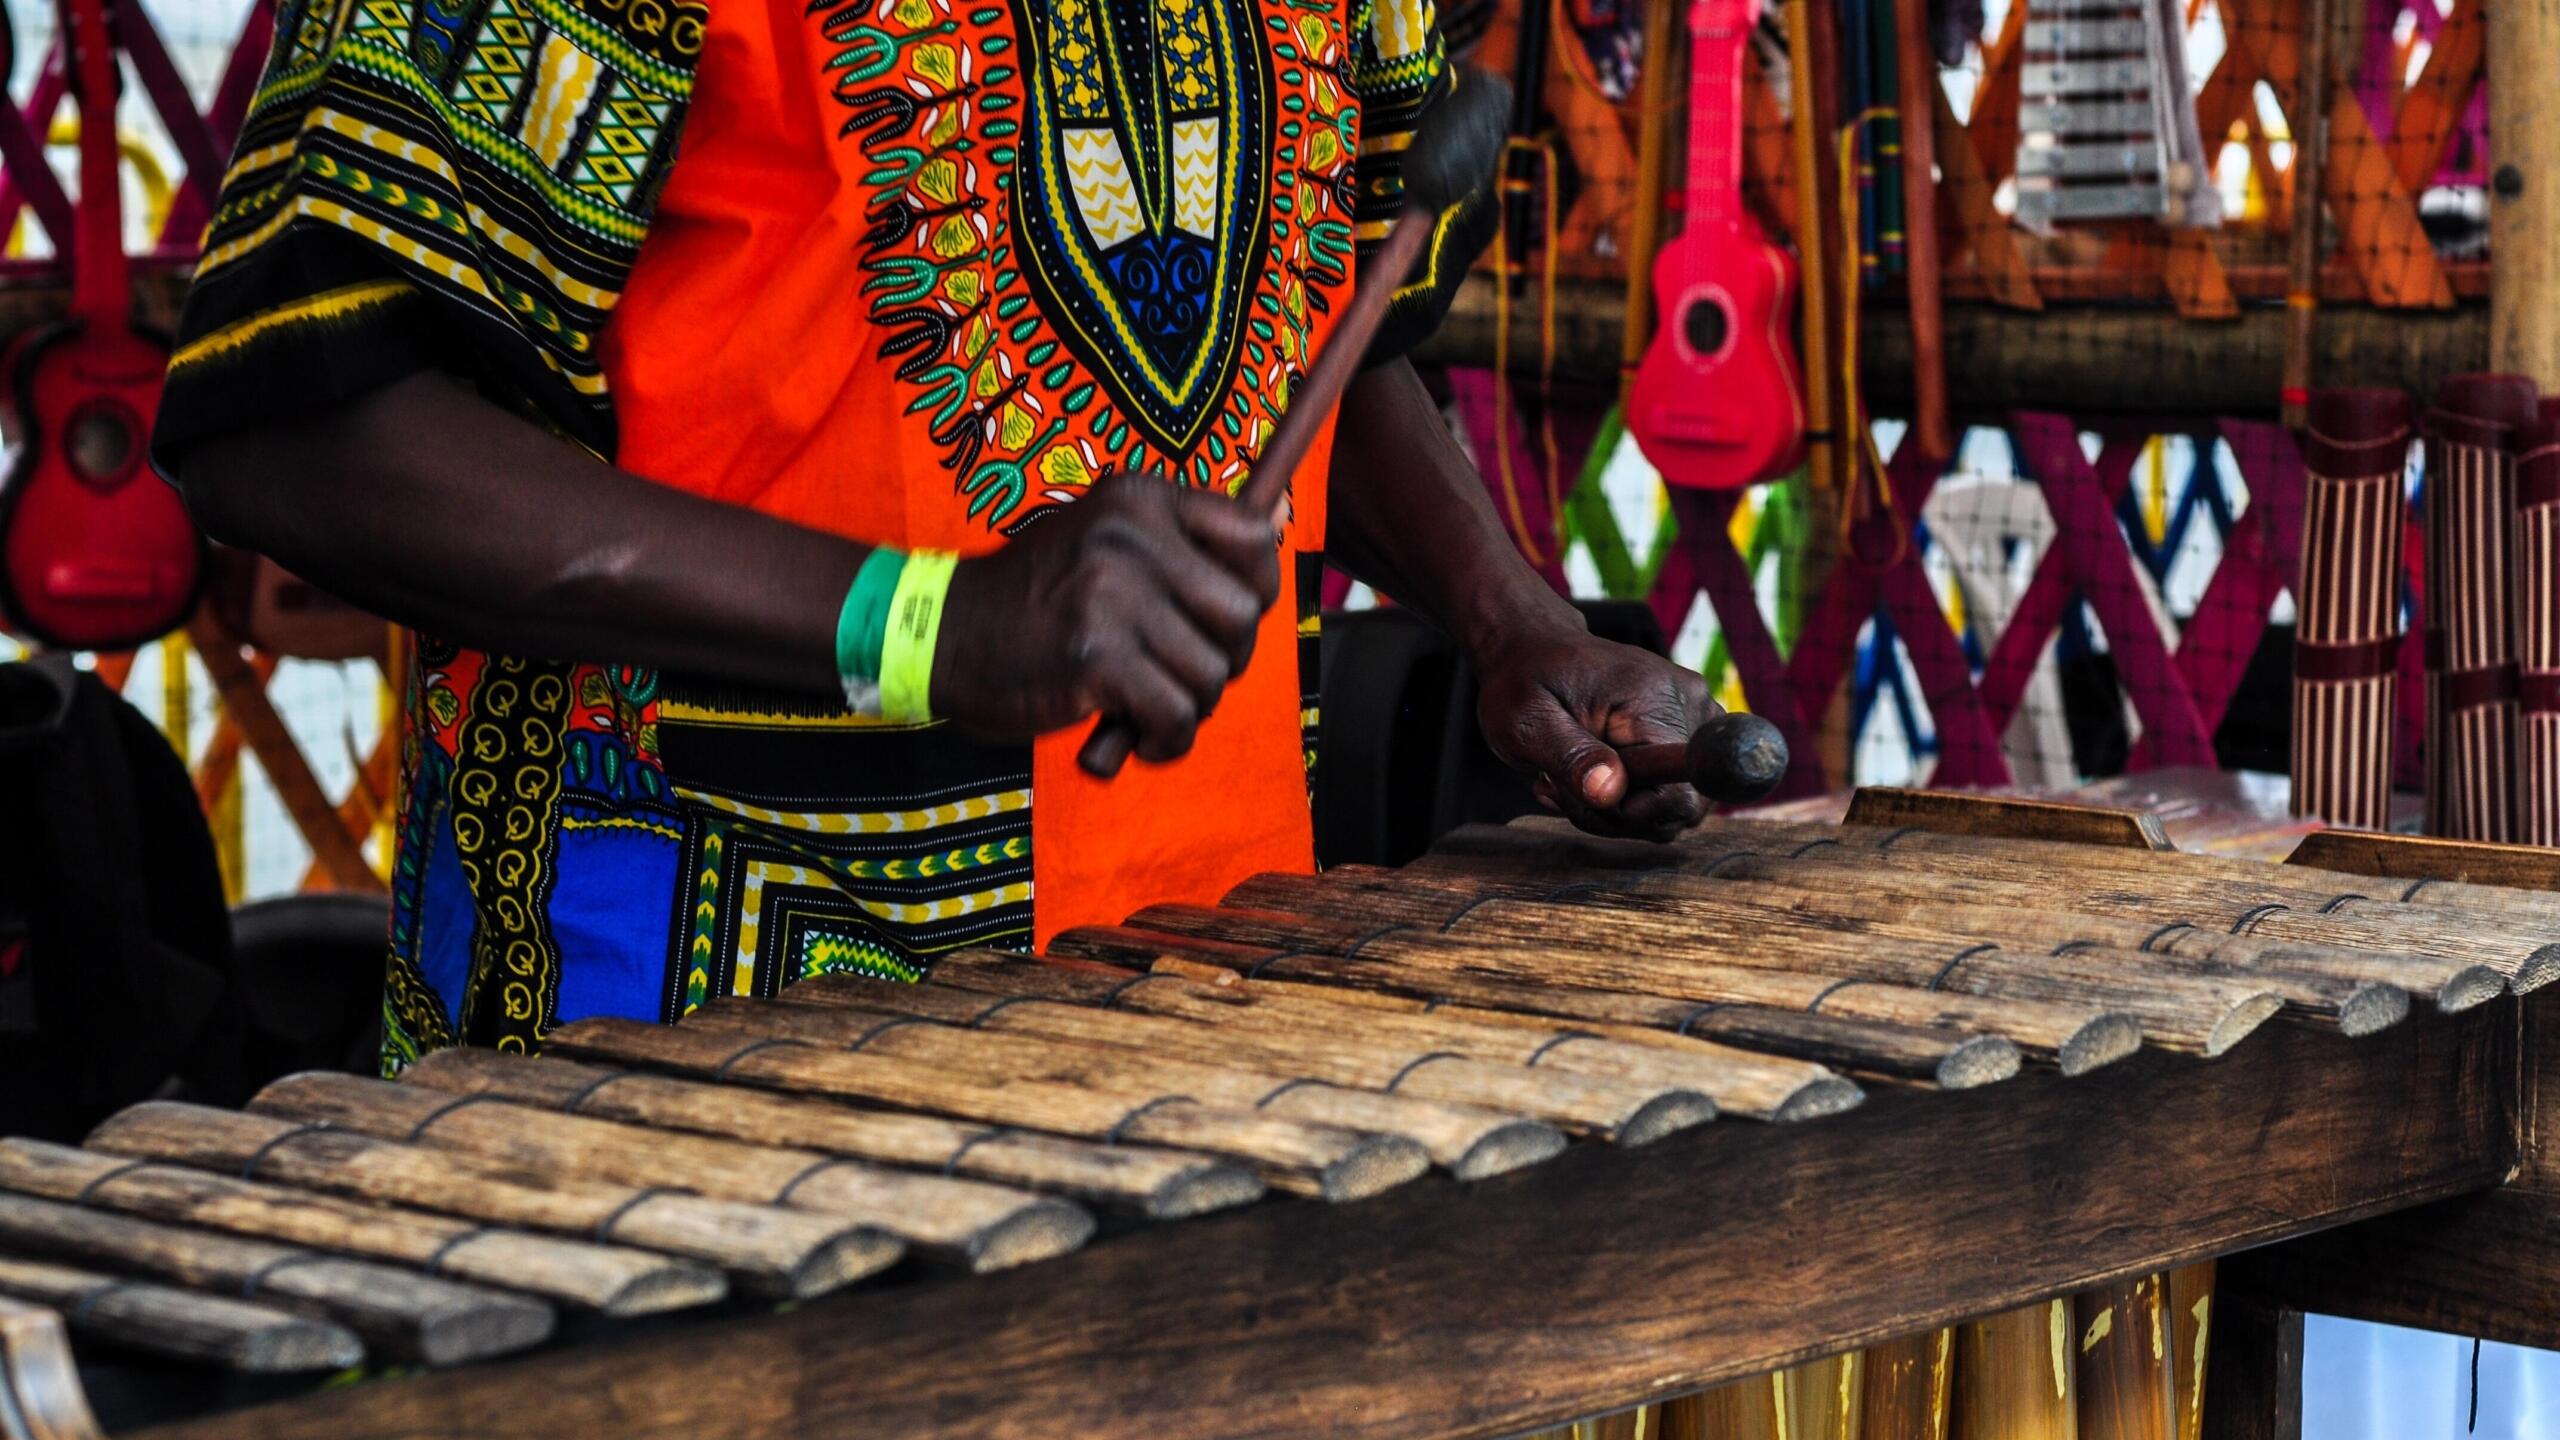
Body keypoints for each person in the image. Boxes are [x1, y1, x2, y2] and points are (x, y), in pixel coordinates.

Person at [152, 0, 1718, 1071]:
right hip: (674, 1041)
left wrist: (1508, 617)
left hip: (1214, 1002)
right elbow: (295, 412)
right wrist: (934, 625)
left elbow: (1329, 309)